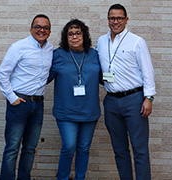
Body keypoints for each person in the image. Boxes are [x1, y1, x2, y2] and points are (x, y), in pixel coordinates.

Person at [95, 4, 156, 180]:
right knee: (119, 150)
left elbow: (147, 71)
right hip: (111, 101)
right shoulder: (101, 41)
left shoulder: (137, 41)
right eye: (112, 18)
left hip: (134, 100)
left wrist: (149, 97)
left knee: (140, 149)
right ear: (108, 20)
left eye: (119, 18)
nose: (116, 21)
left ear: (126, 19)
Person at [0, 14, 53, 180]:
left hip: (38, 105)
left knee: (30, 148)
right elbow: (2, 74)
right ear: (31, 29)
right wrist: (11, 97)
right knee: (12, 147)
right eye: (38, 26)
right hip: (19, 104)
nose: (41, 30)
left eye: (45, 27)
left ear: (49, 31)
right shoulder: (18, 47)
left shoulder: (50, 49)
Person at [48, 19, 101, 180]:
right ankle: (62, 178)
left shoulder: (94, 54)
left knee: (84, 148)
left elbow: (106, 76)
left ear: (84, 35)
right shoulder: (57, 55)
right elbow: (42, 77)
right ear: (66, 37)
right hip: (66, 113)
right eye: (70, 34)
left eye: (78, 33)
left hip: (89, 112)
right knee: (69, 146)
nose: (74, 37)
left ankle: (80, 178)